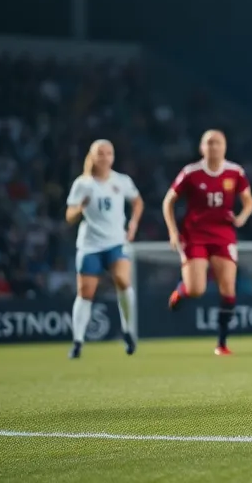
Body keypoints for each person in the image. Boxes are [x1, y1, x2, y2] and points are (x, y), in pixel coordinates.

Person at [162, 129, 252, 355]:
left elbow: (248, 200)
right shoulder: (191, 172)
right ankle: (182, 290)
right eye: (209, 143)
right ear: (201, 147)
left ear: (225, 146)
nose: (213, 146)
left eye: (218, 142)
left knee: (228, 288)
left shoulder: (235, 172)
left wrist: (242, 216)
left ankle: (222, 344)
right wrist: (173, 232)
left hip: (223, 234)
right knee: (196, 289)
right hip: (195, 235)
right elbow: (168, 202)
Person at [64, 139, 143, 359]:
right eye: (101, 153)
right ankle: (78, 341)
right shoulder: (83, 184)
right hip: (90, 245)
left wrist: (133, 223)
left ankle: (128, 331)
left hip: (116, 242)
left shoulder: (122, 180)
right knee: (86, 293)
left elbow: (137, 202)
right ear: (93, 157)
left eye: (109, 153)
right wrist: (80, 208)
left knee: (123, 281)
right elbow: (69, 216)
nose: (105, 157)